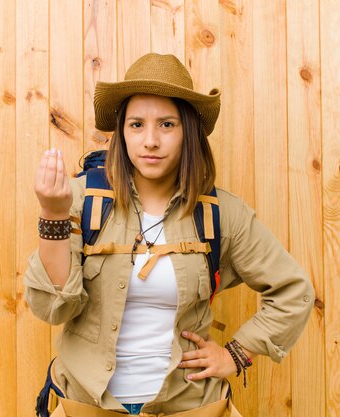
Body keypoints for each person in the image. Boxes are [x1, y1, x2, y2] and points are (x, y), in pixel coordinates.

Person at [23, 53, 314, 417]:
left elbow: (295, 292)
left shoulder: (222, 213)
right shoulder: (82, 200)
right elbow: (52, 308)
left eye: (166, 125)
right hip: (85, 404)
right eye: (136, 125)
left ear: (187, 130)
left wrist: (236, 354)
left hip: (189, 407)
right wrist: (53, 214)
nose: (150, 141)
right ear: (121, 132)